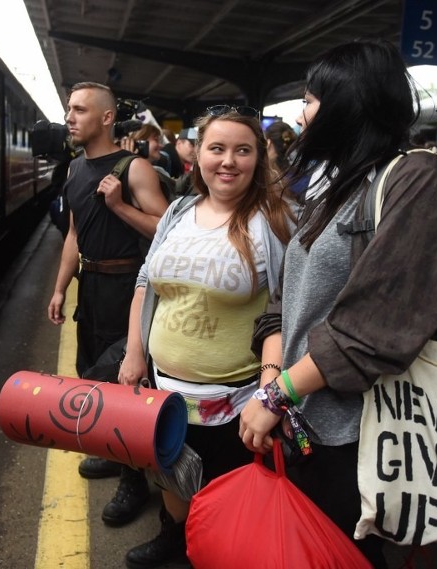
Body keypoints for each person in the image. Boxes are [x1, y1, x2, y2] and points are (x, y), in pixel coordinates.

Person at [239, 39, 437, 568]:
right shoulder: (338, 187)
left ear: (350, 101)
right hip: (306, 422)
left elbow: (376, 323)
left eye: (310, 99)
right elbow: (286, 301)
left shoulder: (418, 178)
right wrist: (272, 381)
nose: (302, 115)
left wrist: (276, 396)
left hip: (360, 436)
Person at [117, 106, 294, 568]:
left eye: (242, 150)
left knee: (225, 493)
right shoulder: (178, 211)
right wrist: (135, 351)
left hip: (234, 402)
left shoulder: (274, 221)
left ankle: (213, 553)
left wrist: (273, 392)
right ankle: (174, 538)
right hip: (163, 387)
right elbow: (146, 280)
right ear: (197, 155)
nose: (228, 161)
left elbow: (287, 311)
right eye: (217, 148)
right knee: (170, 474)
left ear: (259, 158)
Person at [47, 81, 169, 526]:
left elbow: (163, 230)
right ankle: (115, 455)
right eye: (68, 109)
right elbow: (74, 237)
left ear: (104, 118)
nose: (70, 117)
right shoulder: (76, 169)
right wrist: (61, 287)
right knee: (91, 376)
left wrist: (118, 206)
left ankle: (134, 483)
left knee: (126, 388)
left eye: (79, 110)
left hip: (125, 289)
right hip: (91, 289)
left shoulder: (134, 168)